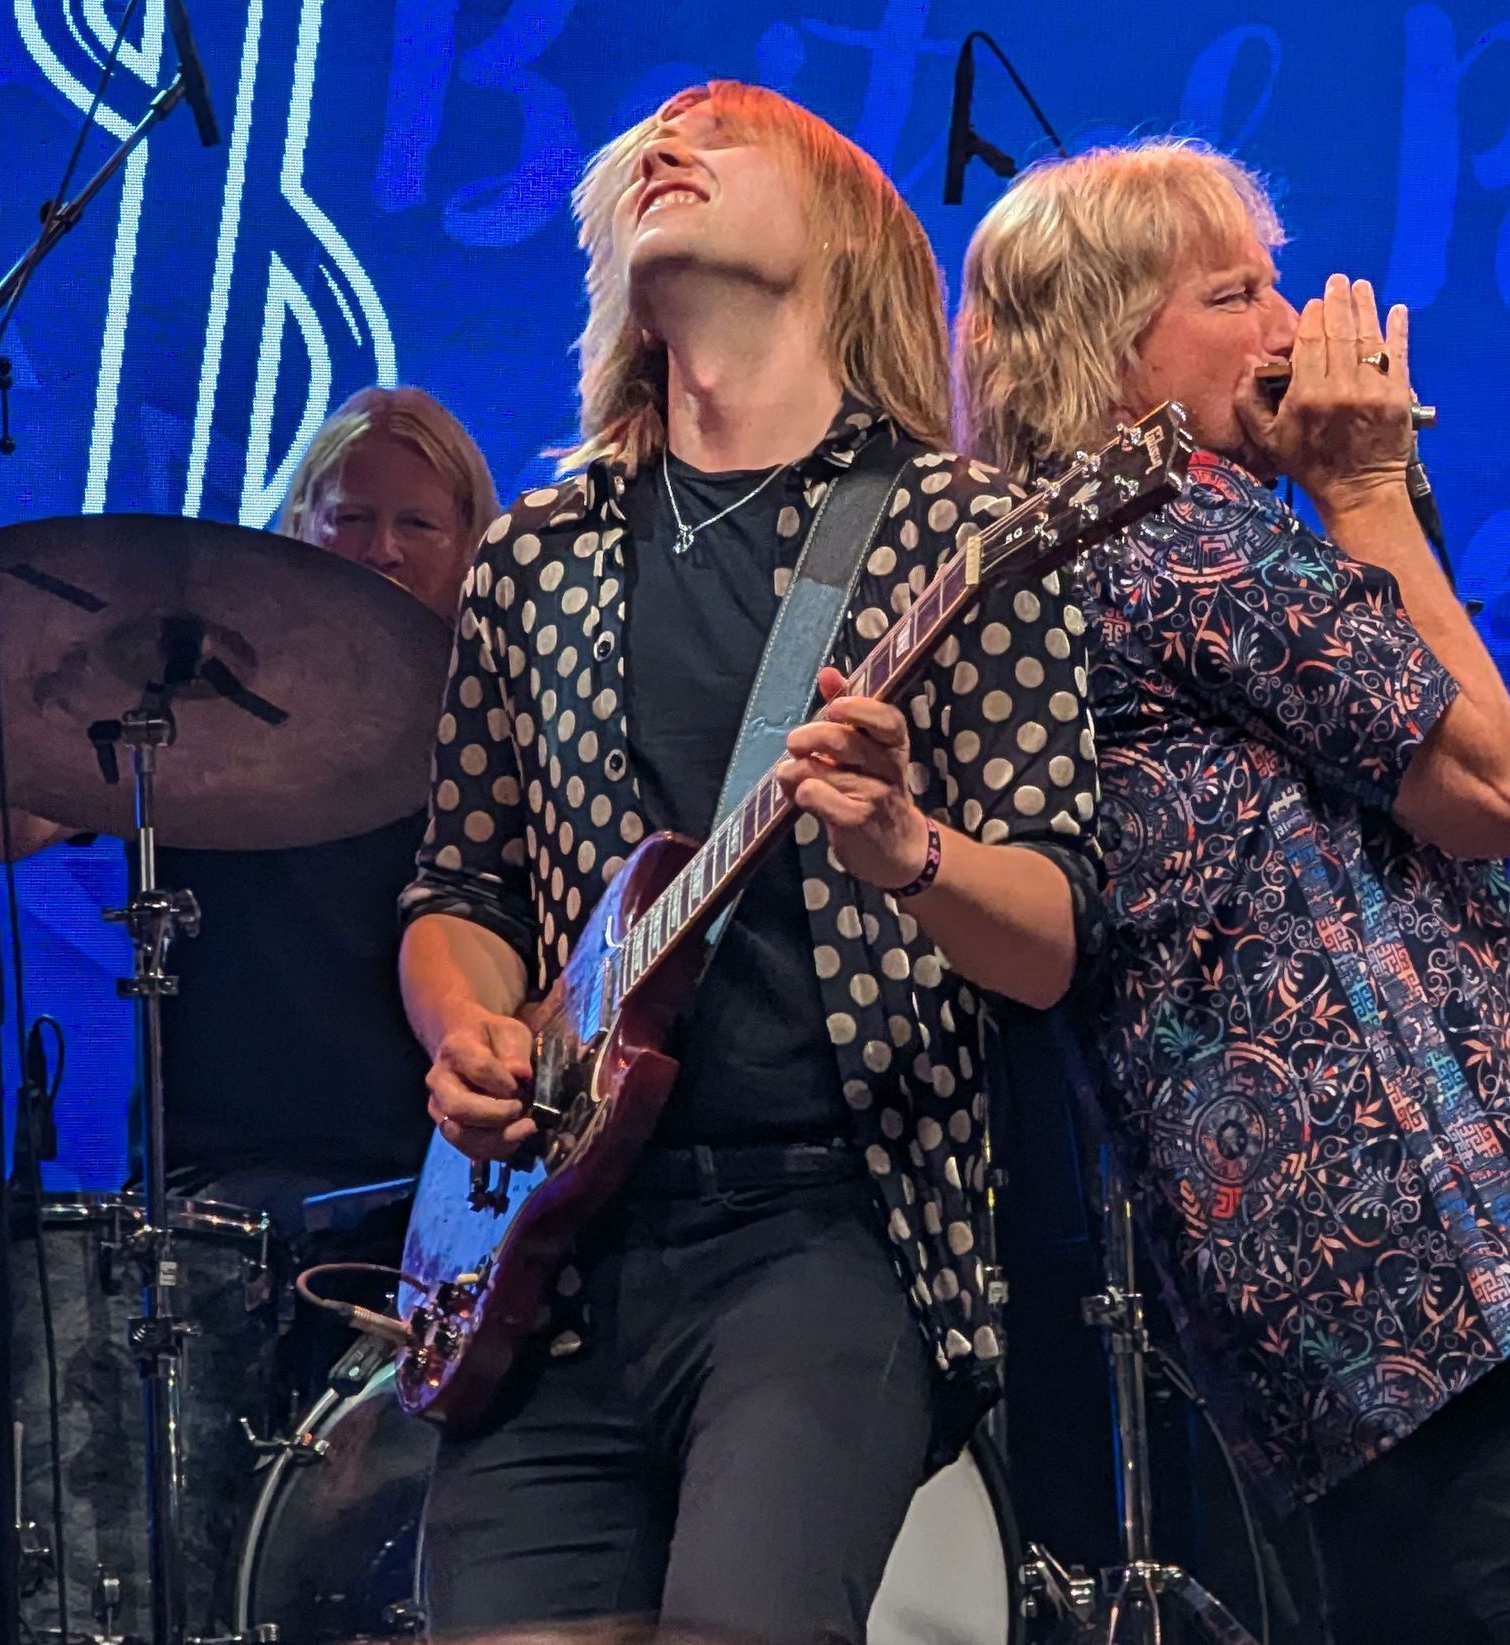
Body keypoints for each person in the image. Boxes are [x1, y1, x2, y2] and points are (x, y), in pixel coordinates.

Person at [954, 140, 1510, 1645]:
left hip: (1336, 1330)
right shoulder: (1172, 531)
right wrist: (1371, 485)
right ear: (1106, 350)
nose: (1298, 326)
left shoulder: (1102, 552)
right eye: (1237, 294)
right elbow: (1488, 789)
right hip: (1445, 1289)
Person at [398, 81, 1101, 1644]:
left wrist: (908, 850)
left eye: (725, 132)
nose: (668, 146)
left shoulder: (960, 534)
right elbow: (463, 890)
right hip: (552, 1251)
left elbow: (1052, 938)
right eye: (647, 139)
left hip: (825, 1228)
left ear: (848, 229)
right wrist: (469, 1031)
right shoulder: (536, 553)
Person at [0, 383, 498, 1218]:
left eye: (416, 524)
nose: (381, 548)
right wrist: (66, 686)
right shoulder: (199, 697)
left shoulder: (497, 723)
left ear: (468, 546)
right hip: (219, 1186)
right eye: (351, 516)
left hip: (446, 1177)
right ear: (301, 525)